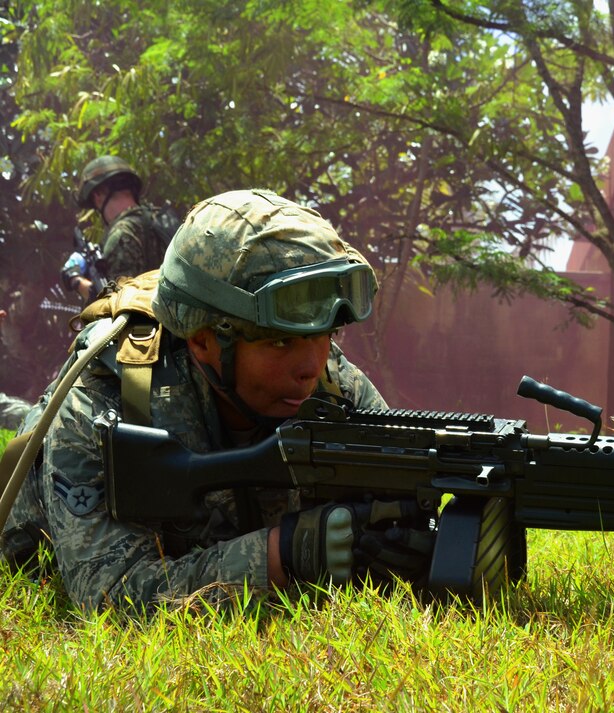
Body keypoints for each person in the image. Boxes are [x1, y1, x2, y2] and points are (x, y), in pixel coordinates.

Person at [1, 189, 434, 611]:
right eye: (280, 343)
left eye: (326, 334)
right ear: (205, 340)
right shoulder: (106, 400)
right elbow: (109, 594)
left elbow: (405, 496)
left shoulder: (332, 384)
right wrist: (285, 556)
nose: (311, 365)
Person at [62, 156, 170, 303]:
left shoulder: (121, 235)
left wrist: (75, 280)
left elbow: (118, 307)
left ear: (98, 195)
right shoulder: (160, 219)